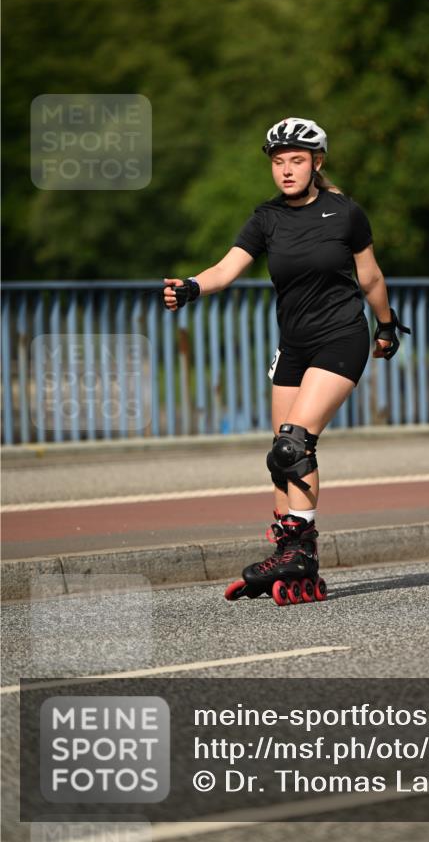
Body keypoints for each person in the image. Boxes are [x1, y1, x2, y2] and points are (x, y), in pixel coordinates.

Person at [163, 117, 410, 605]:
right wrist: (191, 286)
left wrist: (384, 327)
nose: (287, 170)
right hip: (293, 346)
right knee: (281, 460)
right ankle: (296, 554)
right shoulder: (266, 218)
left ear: (317, 163)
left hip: (341, 337)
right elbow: (226, 268)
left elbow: (371, 278)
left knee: (295, 444)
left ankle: (296, 551)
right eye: (278, 162)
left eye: (296, 160)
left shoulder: (346, 214)